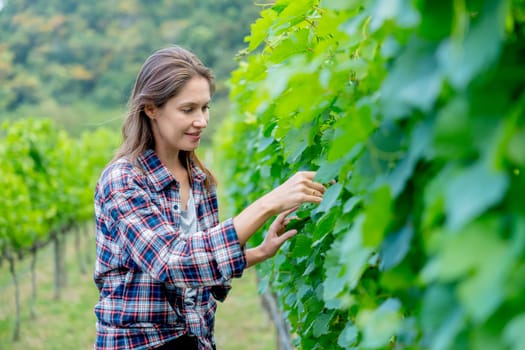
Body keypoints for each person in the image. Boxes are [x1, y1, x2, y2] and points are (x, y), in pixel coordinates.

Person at [93, 45, 326, 350]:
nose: (202, 120)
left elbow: (203, 274)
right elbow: (173, 261)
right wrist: (267, 204)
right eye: (188, 109)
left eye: (205, 108)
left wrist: (260, 251)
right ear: (151, 108)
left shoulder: (199, 180)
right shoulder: (124, 179)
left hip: (197, 340)